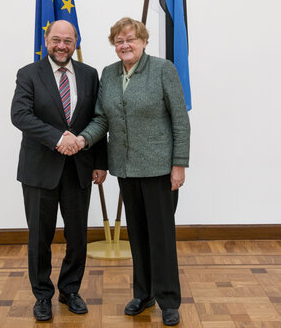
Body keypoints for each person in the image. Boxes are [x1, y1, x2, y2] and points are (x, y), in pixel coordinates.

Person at [58, 17, 190, 326]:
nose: (125, 45)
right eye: (119, 41)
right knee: (137, 237)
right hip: (127, 169)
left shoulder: (162, 70)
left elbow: (180, 120)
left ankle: (169, 300)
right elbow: (102, 119)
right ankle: (143, 294)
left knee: (161, 237)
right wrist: (83, 138)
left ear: (143, 41)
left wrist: (179, 165)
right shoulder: (109, 74)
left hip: (159, 169)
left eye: (130, 39)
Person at [11, 20, 107, 322]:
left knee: (77, 236)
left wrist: (101, 162)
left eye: (68, 40)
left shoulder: (90, 75)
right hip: (40, 170)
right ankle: (42, 295)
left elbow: (100, 119)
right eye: (56, 40)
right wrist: (58, 138)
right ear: (47, 40)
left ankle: (70, 290)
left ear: (76, 41)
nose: (62, 46)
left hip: (80, 168)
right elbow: (20, 115)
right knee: (40, 236)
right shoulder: (29, 74)